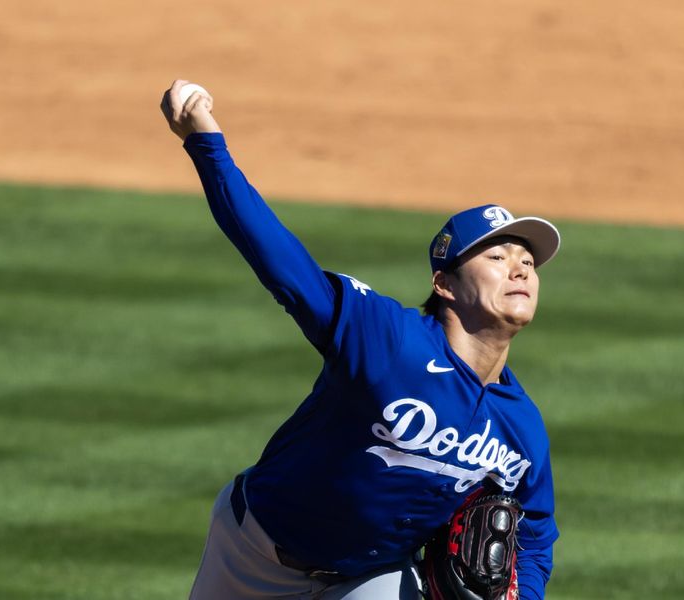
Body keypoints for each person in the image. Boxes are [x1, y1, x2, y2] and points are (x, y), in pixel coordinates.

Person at [160, 79, 560, 600]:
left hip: (371, 581)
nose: (520, 269)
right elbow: (282, 264)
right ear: (444, 284)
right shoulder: (387, 340)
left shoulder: (519, 426)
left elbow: (534, 537)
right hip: (255, 555)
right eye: (497, 257)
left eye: (527, 261)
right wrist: (206, 144)